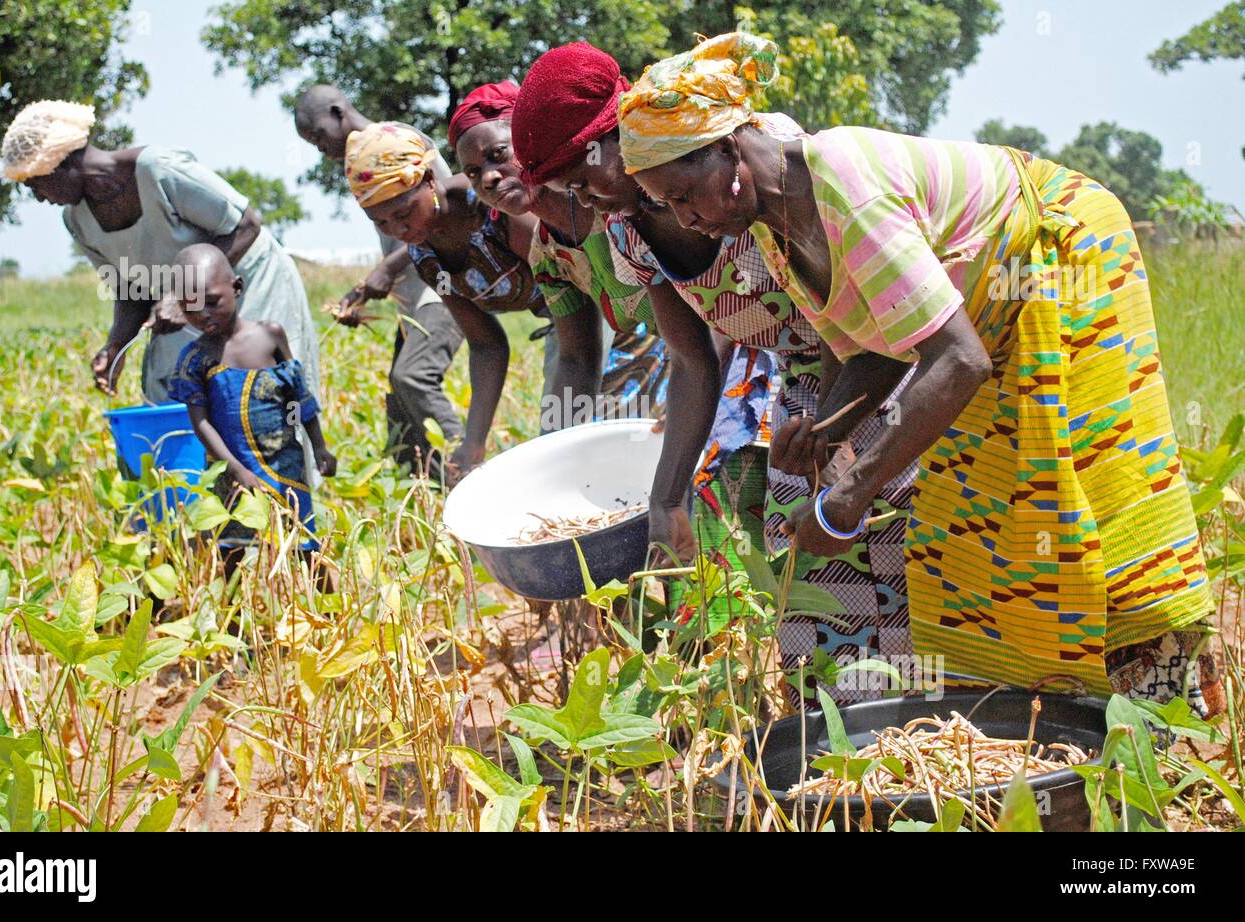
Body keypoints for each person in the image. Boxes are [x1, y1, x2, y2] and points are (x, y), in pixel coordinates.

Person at [624, 32, 1221, 713]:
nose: (685, 220)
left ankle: (1169, 713)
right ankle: (1042, 714)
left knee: (1083, 487)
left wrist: (847, 499)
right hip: (982, 316)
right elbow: (867, 350)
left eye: (682, 194)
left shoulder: (842, 186)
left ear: (730, 150)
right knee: (977, 518)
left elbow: (957, 360)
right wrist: (825, 436)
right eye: (666, 207)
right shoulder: (768, 226)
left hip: (1059, 252)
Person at [512, 43, 917, 700]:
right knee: (807, 570)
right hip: (805, 386)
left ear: (614, 136)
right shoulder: (627, 231)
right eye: (570, 194)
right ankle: (838, 744)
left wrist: (829, 431)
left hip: (881, 369)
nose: (586, 202)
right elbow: (690, 359)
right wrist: (665, 498)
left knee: (889, 543)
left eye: (585, 181)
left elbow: (858, 319)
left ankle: (921, 732)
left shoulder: (749, 164)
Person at [0, 100, 320, 412]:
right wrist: (116, 345)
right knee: (173, 392)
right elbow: (129, 287)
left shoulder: (159, 170)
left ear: (66, 164)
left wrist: (183, 296)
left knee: (260, 396)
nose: (40, 199)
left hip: (250, 283)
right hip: (183, 302)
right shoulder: (77, 221)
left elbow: (245, 226)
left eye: (37, 185)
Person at [450, 80, 668, 424]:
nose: (488, 178)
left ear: (528, 145)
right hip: (684, 372)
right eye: (473, 173)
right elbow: (576, 359)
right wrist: (558, 440)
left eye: (498, 156)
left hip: (733, 353)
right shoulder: (548, 255)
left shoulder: (614, 206)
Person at [344, 122, 547, 480]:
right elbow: (486, 344)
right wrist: (473, 442)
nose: (398, 231)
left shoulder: (492, 205)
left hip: (607, 309)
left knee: (565, 437)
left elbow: (581, 289)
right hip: (564, 316)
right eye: (382, 223)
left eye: (404, 213)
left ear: (428, 180)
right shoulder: (425, 255)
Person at [295, 86, 466, 477]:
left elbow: (446, 213)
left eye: (319, 136)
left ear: (338, 111)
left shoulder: (395, 141)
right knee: (400, 407)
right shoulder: (359, 164)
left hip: (440, 290)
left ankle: (468, 463)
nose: (320, 148)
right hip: (414, 298)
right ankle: (423, 492)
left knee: (414, 377)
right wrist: (361, 293)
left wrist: (387, 270)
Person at [165, 244, 336, 574]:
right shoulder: (195, 359)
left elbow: (299, 398)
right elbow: (201, 424)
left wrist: (319, 446)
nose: (203, 315)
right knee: (231, 549)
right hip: (232, 469)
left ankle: (328, 614)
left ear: (237, 288)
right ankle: (229, 620)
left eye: (212, 302)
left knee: (304, 544)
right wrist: (235, 470)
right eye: (191, 308)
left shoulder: (270, 335)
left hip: (285, 465)